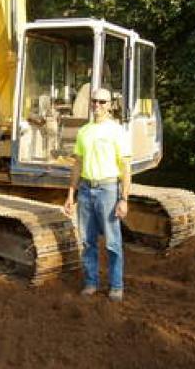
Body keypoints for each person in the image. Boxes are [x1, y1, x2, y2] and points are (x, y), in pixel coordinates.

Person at [64, 88, 131, 302]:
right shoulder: (84, 131)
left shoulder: (117, 131)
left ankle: (116, 286)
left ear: (110, 105)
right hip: (85, 190)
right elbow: (78, 164)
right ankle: (91, 283)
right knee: (87, 241)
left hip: (108, 190)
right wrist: (70, 195)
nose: (98, 106)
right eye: (94, 101)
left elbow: (125, 167)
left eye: (103, 102)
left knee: (112, 242)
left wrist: (124, 198)